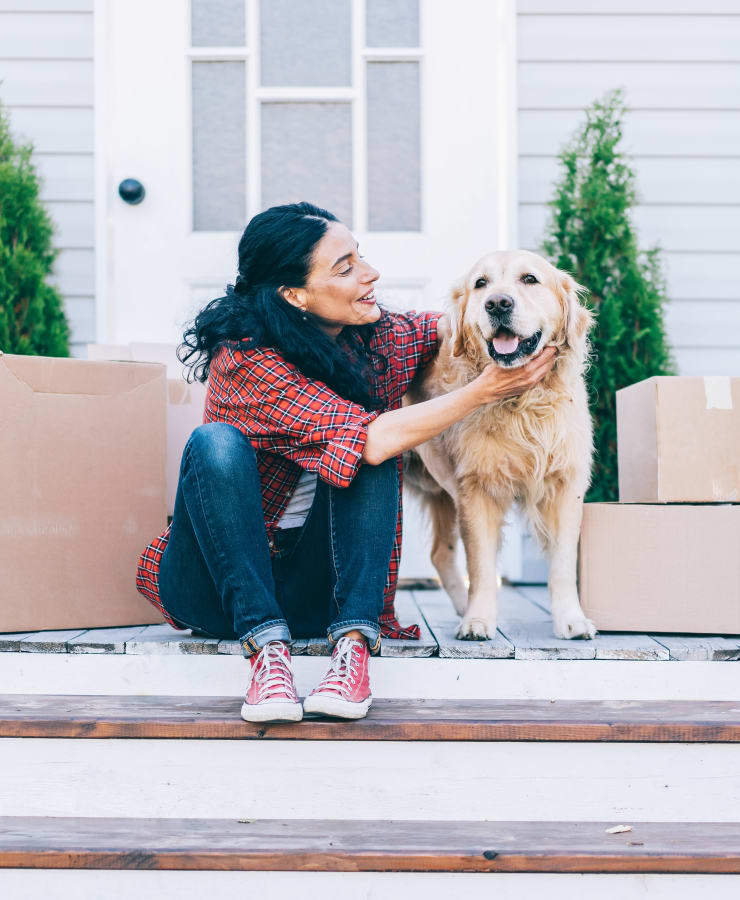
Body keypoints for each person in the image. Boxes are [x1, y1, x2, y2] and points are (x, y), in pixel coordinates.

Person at [135, 202, 556, 723]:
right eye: (346, 267)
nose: (370, 274)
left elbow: (451, 326)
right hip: (215, 589)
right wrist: (484, 390)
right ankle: (267, 655)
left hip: (316, 589)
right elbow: (367, 439)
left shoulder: (373, 337)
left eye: (362, 257)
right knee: (216, 444)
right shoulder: (245, 359)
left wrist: (524, 316)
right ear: (296, 296)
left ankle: (353, 650)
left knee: (373, 442)